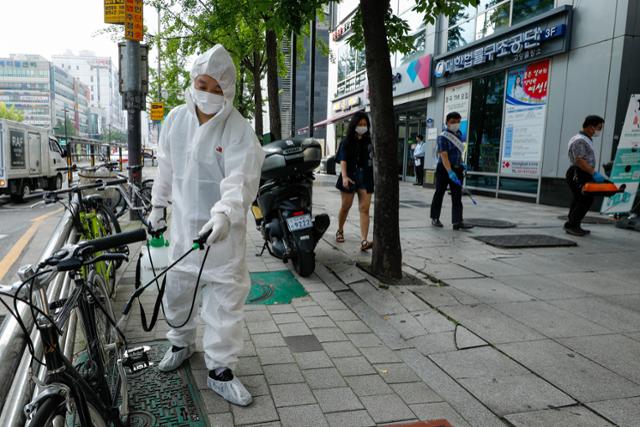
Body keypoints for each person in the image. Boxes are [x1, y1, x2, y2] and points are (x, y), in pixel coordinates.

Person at [148, 45, 265, 407]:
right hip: (183, 230)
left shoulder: (237, 129)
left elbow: (241, 178)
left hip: (223, 236)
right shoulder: (175, 121)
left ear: (228, 91)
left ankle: (220, 370)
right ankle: (181, 343)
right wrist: (156, 208)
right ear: (193, 81)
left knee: (224, 301)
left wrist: (224, 214)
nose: (209, 94)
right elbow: (166, 169)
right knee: (178, 291)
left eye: (217, 89)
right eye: (203, 84)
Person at [335, 112, 375, 251]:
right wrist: (345, 177)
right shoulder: (346, 141)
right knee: (346, 206)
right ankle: (340, 230)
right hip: (350, 176)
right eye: (360, 125)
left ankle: (364, 241)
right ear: (354, 125)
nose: (363, 127)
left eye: (365, 125)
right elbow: (343, 159)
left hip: (366, 177)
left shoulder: (370, 141)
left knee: (365, 209)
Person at [430, 112, 473, 230]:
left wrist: (462, 163)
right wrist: (450, 171)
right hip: (444, 169)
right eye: (453, 122)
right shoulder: (442, 136)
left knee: (457, 195)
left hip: (457, 168)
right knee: (439, 193)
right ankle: (435, 218)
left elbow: (459, 152)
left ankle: (458, 221)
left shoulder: (459, 134)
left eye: (458, 121)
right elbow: (443, 155)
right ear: (447, 122)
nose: (455, 124)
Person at [564, 115, 605, 236]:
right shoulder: (580, 140)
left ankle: (573, 224)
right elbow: (579, 160)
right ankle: (572, 225)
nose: (599, 131)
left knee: (579, 199)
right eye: (599, 128)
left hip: (581, 173)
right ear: (591, 127)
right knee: (585, 199)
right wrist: (593, 173)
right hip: (578, 173)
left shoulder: (584, 139)